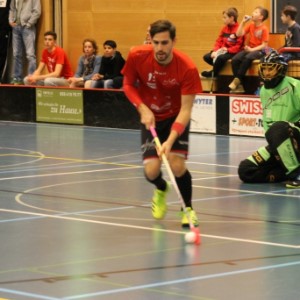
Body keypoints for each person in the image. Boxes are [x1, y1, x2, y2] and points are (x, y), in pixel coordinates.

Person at [122, 19, 202, 227]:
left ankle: (188, 210)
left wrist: (171, 140)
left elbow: (186, 110)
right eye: (155, 42)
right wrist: (141, 107)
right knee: (151, 171)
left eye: (165, 43)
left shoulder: (187, 68)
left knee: (176, 164)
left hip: (175, 118)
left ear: (174, 41)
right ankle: (161, 188)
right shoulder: (137, 55)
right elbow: (128, 84)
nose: (159, 48)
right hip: (150, 118)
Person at [238, 50, 300, 188]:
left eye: (270, 69)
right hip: (279, 143)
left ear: (281, 70)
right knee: (246, 170)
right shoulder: (264, 91)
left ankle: (295, 174)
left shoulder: (295, 86)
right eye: (264, 69)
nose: (266, 73)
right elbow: (267, 122)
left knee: (278, 128)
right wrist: (275, 146)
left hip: (295, 137)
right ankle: (285, 171)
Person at [228, 6, 269, 93]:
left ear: (261, 17)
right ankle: (239, 86)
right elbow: (239, 34)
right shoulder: (250, 25)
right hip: (250, 48)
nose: (253, 13)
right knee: (235, 59)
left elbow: (264, 45)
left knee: (248, 57)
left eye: (256, 12)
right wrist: (243, 22)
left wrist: (251, 50)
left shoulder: (264, 28)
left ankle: (237, 79)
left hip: (260, 50)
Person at [201, 7, 244, 78]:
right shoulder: (224, 28)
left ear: (232, 18)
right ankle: (218, 69)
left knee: (220, 58)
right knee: (207, 57)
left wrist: (228, 50)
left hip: (233, 52)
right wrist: (215, 51)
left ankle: (214, 73)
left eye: (225, 17)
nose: (223, 19)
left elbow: (238, 46)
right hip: (223, 50)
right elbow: (219, 41)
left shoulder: (239, 29)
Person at [8, 0, 41, 85]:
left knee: (30, 54)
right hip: (16, 28)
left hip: (27, 28)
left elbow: (37, 11)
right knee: (16, 54)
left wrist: (29, 24)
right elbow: (12, 9)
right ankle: (17, 78)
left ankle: (31, 78)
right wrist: (11, 21)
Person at [0, 0, 11, 83]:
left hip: (4, 31)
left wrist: (8, 27)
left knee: (2, 54)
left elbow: (12, 11)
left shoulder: (9, 1)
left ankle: (1, 78)